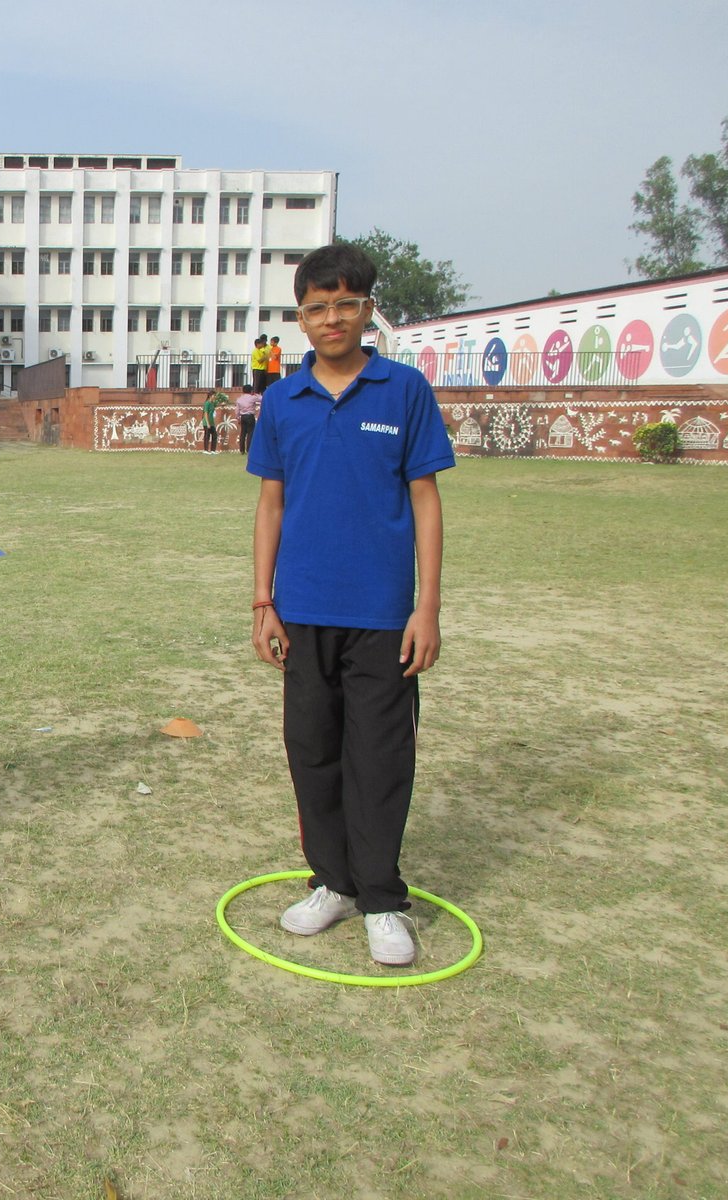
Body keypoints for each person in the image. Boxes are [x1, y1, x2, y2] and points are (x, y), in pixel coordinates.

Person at [247, 242, 454, 968]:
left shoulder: (404, 390)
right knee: (313, 751)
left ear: (368, 310)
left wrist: (427, 607)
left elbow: (425, 501)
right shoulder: (282, 400)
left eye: (345, 304)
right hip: (302, 610)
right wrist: (262, 601)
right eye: (317, 308)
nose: (331, 318)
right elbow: (271, 504)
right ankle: (332, 882)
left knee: (380, 757)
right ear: (301, 319)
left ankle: (381, 899)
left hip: (383, 616)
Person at [200, 388, 226, 455]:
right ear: (210, 396)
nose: (215, 397)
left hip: (212, 422)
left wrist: (222, 404)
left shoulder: (213, 403)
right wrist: (207, 423)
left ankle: (213, 450)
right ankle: (206, 450)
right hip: (207, 422)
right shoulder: (207, 403)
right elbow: (206, 413)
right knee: (207, 436)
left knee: (214, 435)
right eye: (214, 395)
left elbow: (218, 404)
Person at [234, 386, 259, 455]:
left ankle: (242, 450)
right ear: (251, 391)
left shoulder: (239, 399)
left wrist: (237, 418)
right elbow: (261, 398)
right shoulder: (252, 397)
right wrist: (256, 394)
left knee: (243, 433)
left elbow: (237, 410)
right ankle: (249, 449)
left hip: (243, 416)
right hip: (250, 416)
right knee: (250, 433)